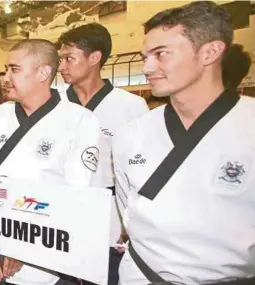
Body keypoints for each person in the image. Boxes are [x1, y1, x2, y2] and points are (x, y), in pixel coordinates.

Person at [113, 2, 255, 284]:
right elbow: (127, 209)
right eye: (145, 56)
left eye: (161, 54)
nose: (147, 67)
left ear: (210, 52)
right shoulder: (130, 134)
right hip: (141, 275)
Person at [0, 39, 100, 285]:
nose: (6, 77)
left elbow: (75, 196)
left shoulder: (79, 121)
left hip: (49, 254)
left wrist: (26, 246)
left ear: (44, 72)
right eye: (7, 69)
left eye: (15, 69)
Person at [56, 23, 149, 285]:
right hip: (58, 210)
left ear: (94, 58)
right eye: (60, 59)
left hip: (109, 215)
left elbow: (140, 172)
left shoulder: (130, 106)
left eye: (69, 58)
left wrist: (128, 222)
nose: (61, 66)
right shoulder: (53, 102)